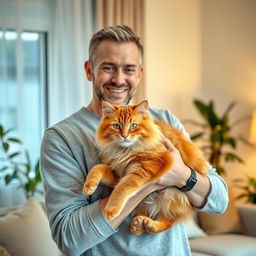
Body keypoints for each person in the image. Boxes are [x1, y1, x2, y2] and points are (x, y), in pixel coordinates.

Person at [40, 25, 228, 256]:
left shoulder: (164, 120)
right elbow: (69, 238)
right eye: (108, 68)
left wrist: (181, 174)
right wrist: (152, 180)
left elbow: (219, 201)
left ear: (139, 73)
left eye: (128, 69)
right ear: (89, 70)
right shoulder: (62, 138)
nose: (119, 79)